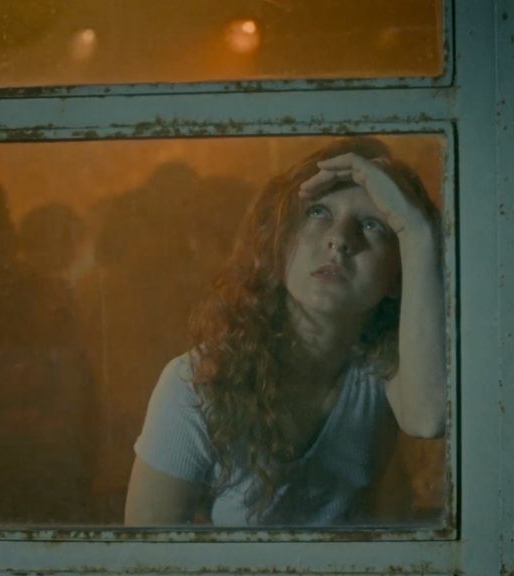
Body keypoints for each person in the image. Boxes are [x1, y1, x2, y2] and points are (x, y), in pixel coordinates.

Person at [123, 137, 445, 526]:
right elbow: (146, 548)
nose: (340, 240)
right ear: (281, 241)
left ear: (398, 274)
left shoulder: (381, 368)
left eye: (372, 224)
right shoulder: (197, 383)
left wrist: (416, 230)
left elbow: (428, 419)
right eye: (318, 212)